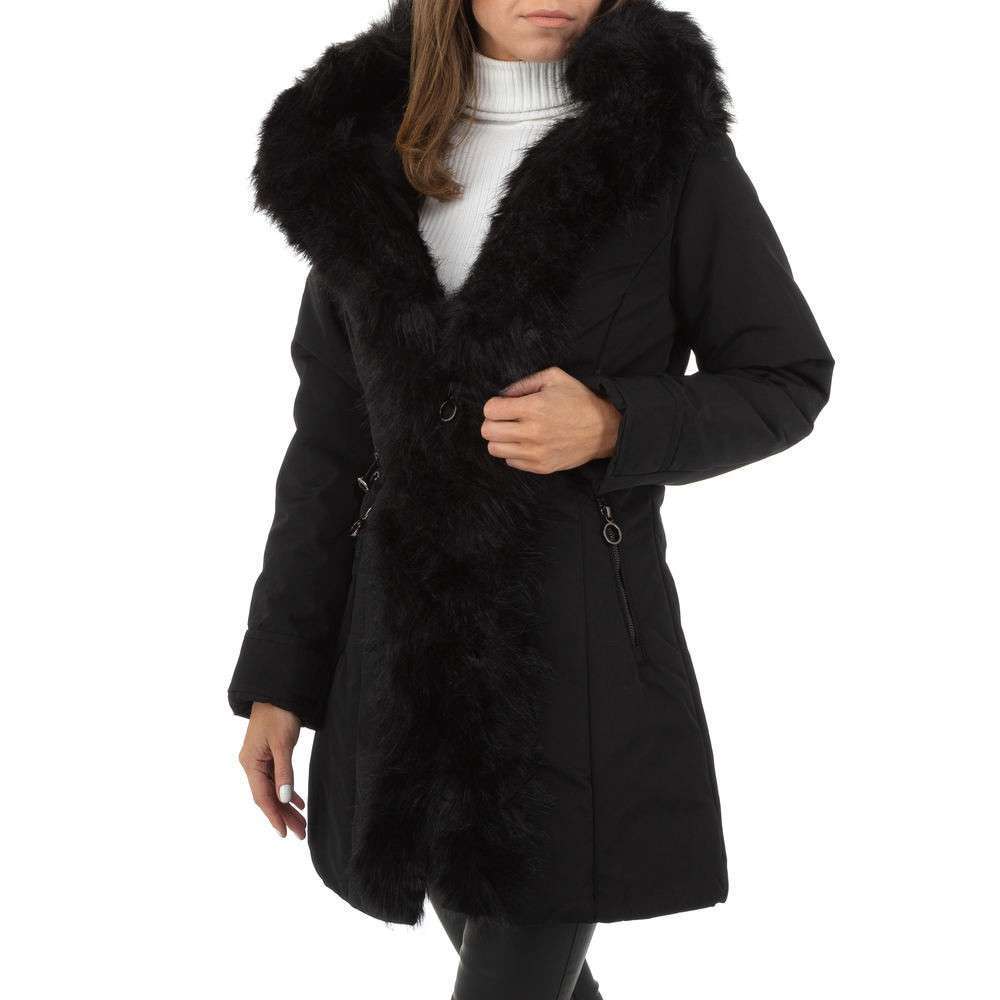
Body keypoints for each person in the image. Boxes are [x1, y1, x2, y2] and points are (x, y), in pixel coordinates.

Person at [228, 1, 834, 997]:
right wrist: (279, 680)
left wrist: (615, 424)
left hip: (575, 664)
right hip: (399, 672)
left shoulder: (666, 153)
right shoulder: (360, 159)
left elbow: (785, 377)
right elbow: (330, 453)